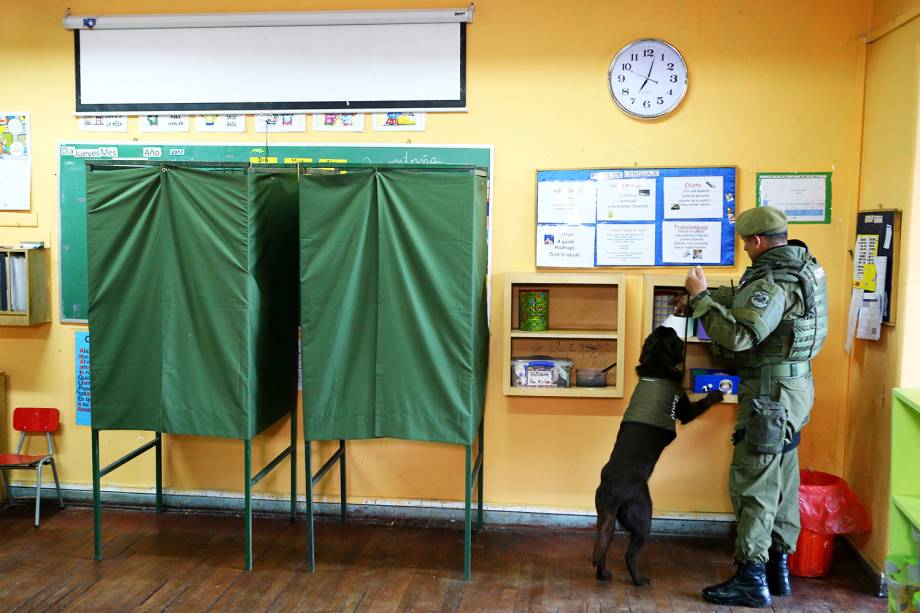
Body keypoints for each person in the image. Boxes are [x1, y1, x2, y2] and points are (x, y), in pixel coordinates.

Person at [683, 206, 828, 608]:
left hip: (769, 395)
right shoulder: (803, 267)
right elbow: (756, 304)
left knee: (754, 485)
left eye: (747, 243)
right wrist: (707, 298)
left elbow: (740, 335)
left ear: (758, 241)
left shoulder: (774, 281)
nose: (746, 250)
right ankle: (778, 570)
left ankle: (751, 578)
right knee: (782, 479)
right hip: (795, 388)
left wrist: (701, 300)